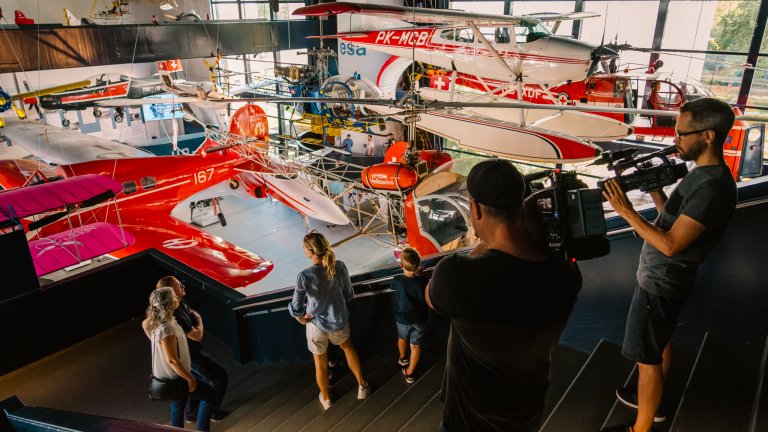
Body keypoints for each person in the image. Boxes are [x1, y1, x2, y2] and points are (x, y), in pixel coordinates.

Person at [600, 98, 738, 432]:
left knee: (646, 360)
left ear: (707, 136)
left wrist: (625, 210)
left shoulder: (711, 187)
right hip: (666, 280)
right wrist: (657, 191)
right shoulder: (703, 176)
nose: (675, 139)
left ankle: (641, 428)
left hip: (661, 282)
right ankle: (655, 404)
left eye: (681, 133)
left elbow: (671, 244)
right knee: (659, 344)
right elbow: (671, 223)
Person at [426, 159, 581, 432]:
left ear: (474, 209)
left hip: (466, 423)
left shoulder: (457, 278)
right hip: (525, 414)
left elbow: (430, 297)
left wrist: (484, 242)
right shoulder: (566, 275)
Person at [289, 231, 370, 411]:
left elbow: (296, 306)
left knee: (320, 363)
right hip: (339, 320)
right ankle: (362, 385)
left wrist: (301, 318)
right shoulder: (340, 266)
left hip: (316, 325)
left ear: (310, 252)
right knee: (348, 347)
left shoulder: (305, 276)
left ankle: (326, 399)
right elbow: (349, 294)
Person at [142, 287, 217, 431]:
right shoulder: (167, 328)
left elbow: (145, 324)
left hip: (170, 378)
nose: (177, 298)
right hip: (176, 377)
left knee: (178, 404)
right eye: (174, 297)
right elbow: (172, 360)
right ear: (169, 303)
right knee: (210, 395)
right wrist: (190, 379)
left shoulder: (158, 323)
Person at [156, 276, 229, 424]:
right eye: (178, 285)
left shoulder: (179, 304)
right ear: (170, 293)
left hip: (186, 359)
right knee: (217, 379)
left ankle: (192, 415)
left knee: (182, 399)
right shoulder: (171, 319)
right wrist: (199, 320)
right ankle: (210, 413)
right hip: (189, 357)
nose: (182, 285)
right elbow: (196, 336)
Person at [392, 246, 429, 384]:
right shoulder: (423, 280)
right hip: (420, 319)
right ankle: (410, 373)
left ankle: (402, 358)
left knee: (402, 338)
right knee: (415, 346)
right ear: (418, 265)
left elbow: (394, 287)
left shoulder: (397, 280)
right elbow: (418, 281)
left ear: (401, 265)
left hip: (402, 319)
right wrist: (418, 273)